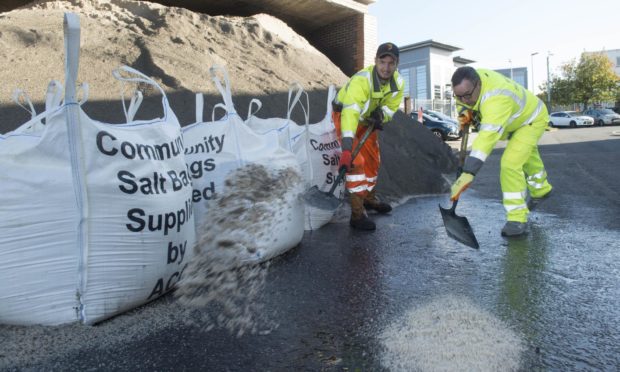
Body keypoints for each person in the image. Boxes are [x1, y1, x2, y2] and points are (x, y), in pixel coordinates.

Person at [450, 66, 553, 237]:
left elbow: (486, 138)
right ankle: (541, 190)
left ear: (478, 84)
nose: (464, 100)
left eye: (467, 96)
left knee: (510, 163)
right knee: (526, 156)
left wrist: (468, 173)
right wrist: (465, 115)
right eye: (458, 96)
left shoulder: (497, 98)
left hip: (531, 121)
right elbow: (463, 105)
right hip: (516, 119)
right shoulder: (468, 84)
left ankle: (517, 218)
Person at [332, 42, 405, 231]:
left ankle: (368, 200)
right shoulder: (362, 81)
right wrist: (347, 149)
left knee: (373, 161)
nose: (386, 67)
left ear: (397, 64)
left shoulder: (398, 83)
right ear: (375, 61)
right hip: (345, 116)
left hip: (367, 121)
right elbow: (350, 112)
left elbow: (391, 107)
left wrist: (381, 116)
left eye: (391, 63)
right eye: (383, 62)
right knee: (357, 161)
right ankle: (356, 216)